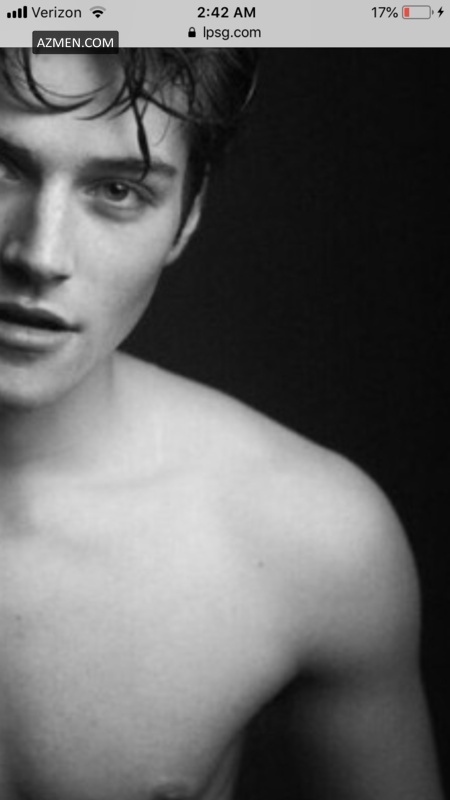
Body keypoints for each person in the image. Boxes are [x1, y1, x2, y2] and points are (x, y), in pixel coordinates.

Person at [0, 48, 444, 800]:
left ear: (187, 217)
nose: (41, 255)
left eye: (118, 190)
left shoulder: (309, 538)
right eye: (4, 167)